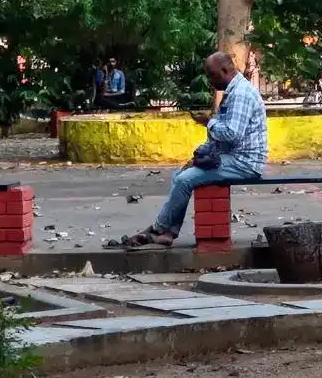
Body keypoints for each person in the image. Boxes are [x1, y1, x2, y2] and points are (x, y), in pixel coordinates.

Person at [115, 52, 268, 248]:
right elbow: (220, 140)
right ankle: (169, 233)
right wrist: (198, 155)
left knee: (184, 180)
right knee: (182, 174)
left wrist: (208, 122)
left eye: (213, 75)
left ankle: (158, 229)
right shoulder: (232, 91)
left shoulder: (241, 94)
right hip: (232, 156)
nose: (211, 81)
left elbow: (231, 134)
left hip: (245, 162)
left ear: (225, 70)